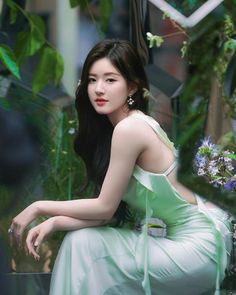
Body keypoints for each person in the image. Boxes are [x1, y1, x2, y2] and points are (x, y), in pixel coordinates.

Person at [9, 39, 232, 295]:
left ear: (132, 87)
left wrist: (39, 207)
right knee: (81, 242)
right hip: (197, 244)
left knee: (84, 245)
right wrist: (56, 221)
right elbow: (107, 216)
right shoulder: (124, 127)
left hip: (198, 250)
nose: (98, 89)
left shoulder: (130, 128)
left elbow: (104, 206)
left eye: (110, 80)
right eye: (92, 80)